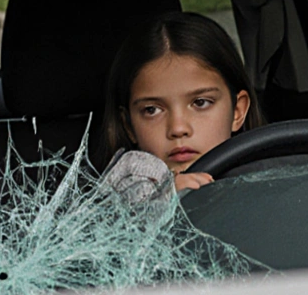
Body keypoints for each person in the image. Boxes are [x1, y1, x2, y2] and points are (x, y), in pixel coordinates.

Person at [100, 11, 264, 200]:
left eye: (200, 103)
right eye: (152, 110)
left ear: (237, 111)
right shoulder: (124, 185)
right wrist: (164, 203)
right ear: (129, 125)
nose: (178, 129)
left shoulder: (272, 175)